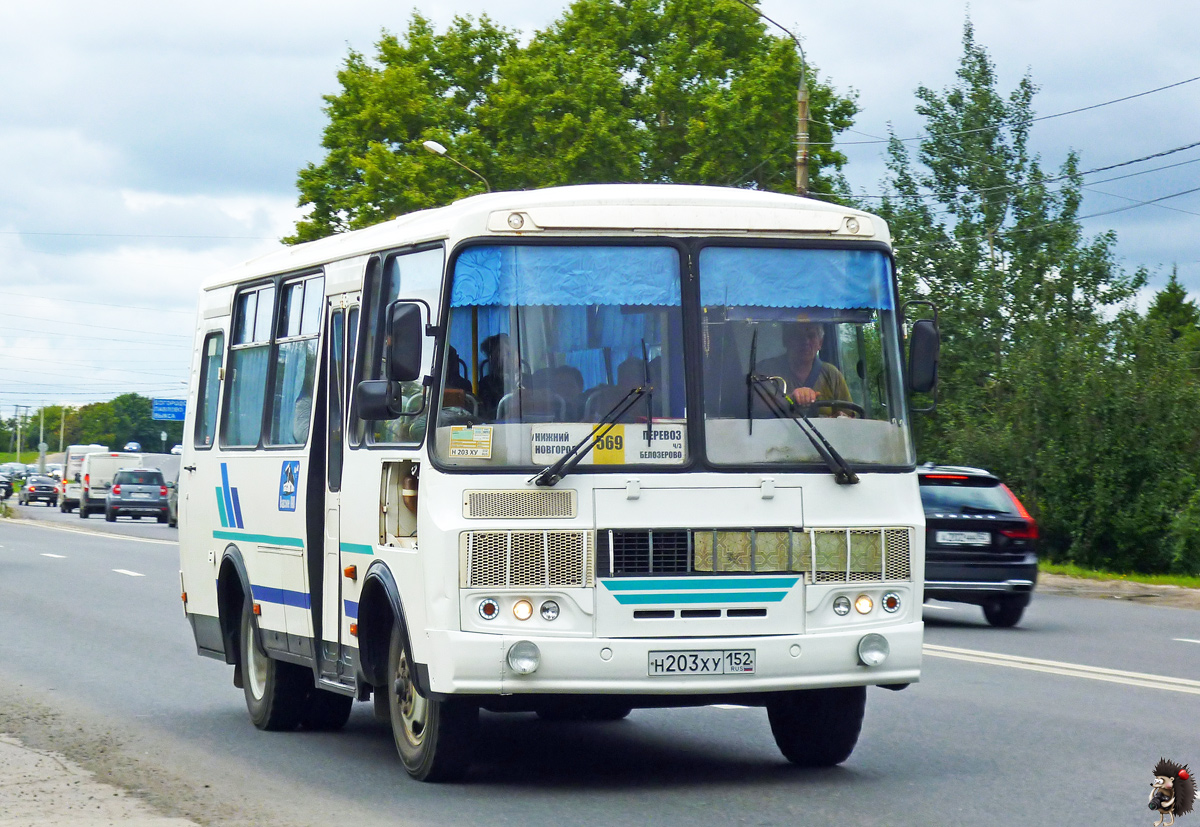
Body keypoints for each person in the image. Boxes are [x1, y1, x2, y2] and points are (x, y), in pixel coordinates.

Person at [757, 322, 852, 411]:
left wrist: (840, 416)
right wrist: (790, 399)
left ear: (820, 343)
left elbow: (850, 416)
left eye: (811, 336)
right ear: (785, 340)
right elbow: (753, 405)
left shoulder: (832, 375)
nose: (805, 341)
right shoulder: (766, 370)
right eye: (798, 335)